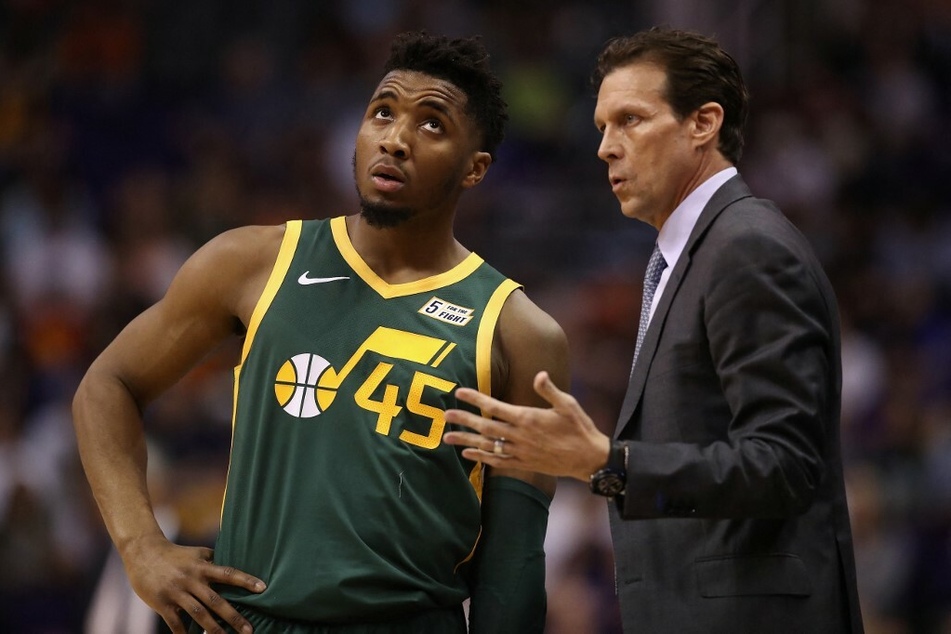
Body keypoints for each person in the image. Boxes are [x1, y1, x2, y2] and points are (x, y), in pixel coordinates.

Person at [72, 31, 568, 634]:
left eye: (431, 124)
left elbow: (511, 568)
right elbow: (107, 384)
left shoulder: (520, 332)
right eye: (382, 112)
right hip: (254, 620)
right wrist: (140, 546)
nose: (395, 139)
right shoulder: (252, 262)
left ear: (475, 169)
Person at [443, 26, 864, 633]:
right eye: (602, 128)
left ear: (704, 123)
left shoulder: (745, 248)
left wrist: (606, 462)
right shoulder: (690, 252)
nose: (606, 148)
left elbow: (784, 464)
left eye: (631, 120)